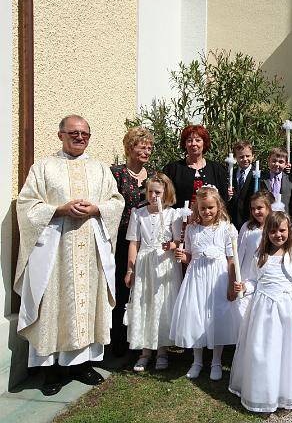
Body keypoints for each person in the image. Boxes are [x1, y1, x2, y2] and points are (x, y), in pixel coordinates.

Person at [15, 115, 124, 396]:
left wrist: (96, 209)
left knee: (88, 307)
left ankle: (82, 365)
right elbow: (27, 205)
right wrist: (59, 209)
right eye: (74, 133)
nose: (80, 138)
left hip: (90, 252)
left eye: (85, 134)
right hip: (55, 253)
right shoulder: (44, 168)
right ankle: (51, 371)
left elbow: (116, 202)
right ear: (60, 134)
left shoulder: (100, 169)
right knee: (54, 307)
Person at [228, 212, 292, 412]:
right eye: (272, 231)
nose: (278, 235)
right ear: (266, 233)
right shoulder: (260, 255)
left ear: (289, 231)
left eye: (282, 230)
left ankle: (283, 392)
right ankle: (261, 392)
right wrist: (245, 287)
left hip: (287, 310)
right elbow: (255, 281)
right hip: (263, 310)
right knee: (263, 350)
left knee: (285, 351)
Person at [170, 186, 241, 381]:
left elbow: (231, 259)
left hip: (218, 278)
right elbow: (191, 255)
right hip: (197, 277)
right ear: (197, 209)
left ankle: (216, 361)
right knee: (196, 314)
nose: (207, 212)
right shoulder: (192, 229)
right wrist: (183, 256)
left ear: (218, 206)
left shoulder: (226, 228)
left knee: (217, 316)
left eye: (210, 207)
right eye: (203, 208)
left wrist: (231, 283)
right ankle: (197, 360)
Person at [124, 173, 182, 372]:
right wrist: (130, 269)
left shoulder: (172, 214)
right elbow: (134, 242)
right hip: (145, 263)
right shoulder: (138, 214)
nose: (153, 195)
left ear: (166, 193)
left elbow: (177, 241)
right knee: (145, 302)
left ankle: (162, 350)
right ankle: (145, 351)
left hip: (164, 264)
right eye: (150, 191)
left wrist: (171, 245)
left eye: (157, 192)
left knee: (161, 304)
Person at [111, 126, 155, 356]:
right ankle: (117, 342)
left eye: (149, 147)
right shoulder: (116, 173)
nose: (147, 150)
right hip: (120, 241)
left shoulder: (154, 175)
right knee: (121, 287)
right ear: (130, 147)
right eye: (142, 146)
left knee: (144, 290)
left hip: (146, 242)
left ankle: (139, 340)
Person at [162, 124, 229, 207]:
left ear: (204, 143)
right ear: (185, 144)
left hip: (209, 217)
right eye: (189, 140)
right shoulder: (172, 169)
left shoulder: (217, 169)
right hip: (180, 218)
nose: (193, 144)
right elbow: (165, 197)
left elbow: (224, 199)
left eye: (198, 140)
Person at [234, 190, 273, 324]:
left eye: (260, 208)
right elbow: (239, 251)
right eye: (253, 209)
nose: (256, 212)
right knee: (243, 317)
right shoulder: (247, 227)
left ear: (270, 207)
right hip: (246, 275)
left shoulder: (274, 229)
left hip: (264, 278)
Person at [227, 141, 257, 230]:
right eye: (241, 157)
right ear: (235, 158)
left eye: (247, 156)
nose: (245, 159)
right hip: (233, 219)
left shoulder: (258, 175)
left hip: (250, 219)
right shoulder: (230, 174)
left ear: (253, 156)